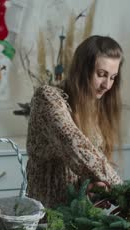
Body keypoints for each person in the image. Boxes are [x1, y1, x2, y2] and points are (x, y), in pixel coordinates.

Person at [26, 35, 124, 209]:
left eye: (113, 77)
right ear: (81, 69)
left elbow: (89, 170)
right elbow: (76, 147)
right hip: (48, 218)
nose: (107, 85)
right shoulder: (48, 98)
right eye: (101, 75)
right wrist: (125, 193)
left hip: (81, 220)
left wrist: (95, 188)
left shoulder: (95, 106)